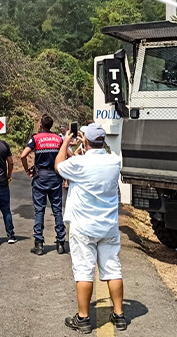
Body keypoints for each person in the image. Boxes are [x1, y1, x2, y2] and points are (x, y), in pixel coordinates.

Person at [55, 123, 126, 333]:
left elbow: (59, 166)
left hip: (84, 227)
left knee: (84, 272)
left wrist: (66, 141)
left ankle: (83, 319)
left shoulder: (79, 163)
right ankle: (119, 315)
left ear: (85, 140)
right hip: (109, 226)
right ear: (102, 141)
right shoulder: (115, 161)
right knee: (113, 269)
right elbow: (91, 164)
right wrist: (81, 152)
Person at [20, 115, 68, 256]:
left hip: (40, 177)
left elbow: (23, 155)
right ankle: (60, 243)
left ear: (41, 125)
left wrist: (27, 169)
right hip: (55, 176)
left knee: (39, 210)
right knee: (57, 210)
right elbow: (69, 154)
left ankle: (39, 245)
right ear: (51, 126)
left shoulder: (36, 139)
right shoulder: (58, 139)